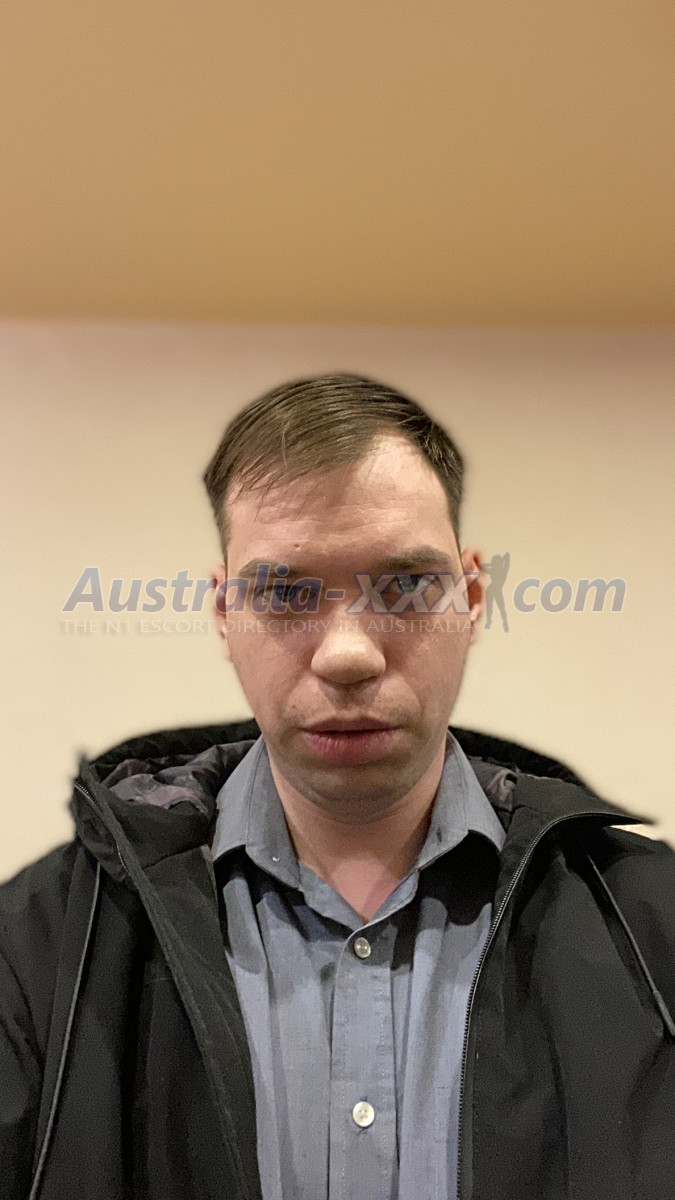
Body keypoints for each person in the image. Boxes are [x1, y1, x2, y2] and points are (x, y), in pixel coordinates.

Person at [1, 374, 674, 1200]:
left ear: (470, 599)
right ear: (224, 614)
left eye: (404, 587)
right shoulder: (39, 951)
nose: (347, 654)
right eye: (285, 593)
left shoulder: (653, 927)